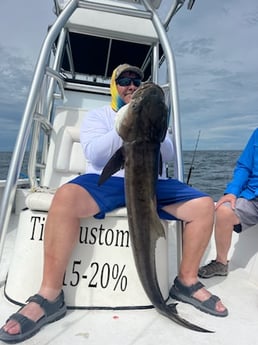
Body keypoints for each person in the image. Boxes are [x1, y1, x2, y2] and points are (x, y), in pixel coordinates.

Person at [0, 63, 227, 343]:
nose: (131, 85)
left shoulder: (152, 118)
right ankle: (49, 295)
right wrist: (127, 121)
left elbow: (165, 153)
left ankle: (187, 281)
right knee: (65, 198)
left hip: (150, 183)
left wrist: (154, 127)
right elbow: (94, 154)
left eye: (137, 80)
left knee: (204, 205)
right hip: (108, 181)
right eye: (124, 80)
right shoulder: (100, 116)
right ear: (114, 86)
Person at [198, 128, 258, 278]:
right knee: (224, 211)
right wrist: (233, 191)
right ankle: (221, 263)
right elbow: (244, 166)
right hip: (253, 196)